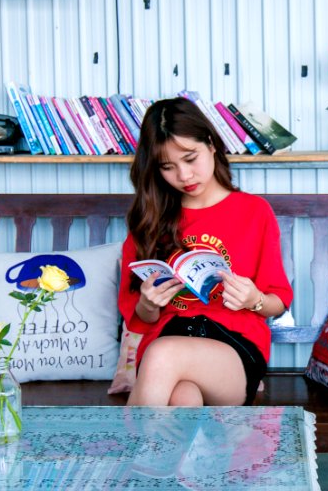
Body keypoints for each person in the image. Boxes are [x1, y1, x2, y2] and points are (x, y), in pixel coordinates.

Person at [118, 98, 293, 406]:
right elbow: (140, 319)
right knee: (183, 399)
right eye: (168, 167)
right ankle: (181, 456)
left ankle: (125, 453)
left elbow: (277, 303)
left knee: (163, 354)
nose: (184, 176)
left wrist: (254, 300)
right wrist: (148, 302)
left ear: (211, 144)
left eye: (190, 158)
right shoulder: (149, 221)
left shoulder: (253, 212)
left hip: (233, 347)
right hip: (168, 339)